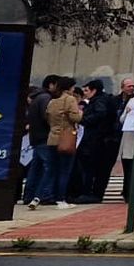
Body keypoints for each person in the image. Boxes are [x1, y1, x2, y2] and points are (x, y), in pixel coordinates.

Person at [73, 78, 119, 203]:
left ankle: (92, 193)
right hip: (105, 140)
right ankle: (95, 193)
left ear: (94, 90)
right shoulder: (107, 100)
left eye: (87, 90)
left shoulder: (99, 101)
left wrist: (83, 120)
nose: (85, 93)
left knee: (93, 168)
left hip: (99, 140)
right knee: (100, 170)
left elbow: (100, 114)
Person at [40, 77, 83, 208]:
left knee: (51, 169)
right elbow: (75, 117)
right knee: (64, 170)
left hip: (52, 137)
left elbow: (47, 117)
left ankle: (43, 195)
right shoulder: (70, 100)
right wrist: (80, 112)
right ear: (69, 87)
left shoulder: (52, 101)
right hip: (66, 138)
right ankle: (61, 198)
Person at [20, 75, 57, 208]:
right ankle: (45, 195)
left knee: (35, 168)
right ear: (51, 85)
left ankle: (28, 195)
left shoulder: (36, 98)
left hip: (35, 137)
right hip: (44, 137)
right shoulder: (46, 98)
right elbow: (47, 117)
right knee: (49, 167)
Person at [118, 82, 134, 203]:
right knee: (129, 168)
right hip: (129, 137)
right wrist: (127, 112)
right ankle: (128, 192)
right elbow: (121, 119)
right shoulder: (133, 101)